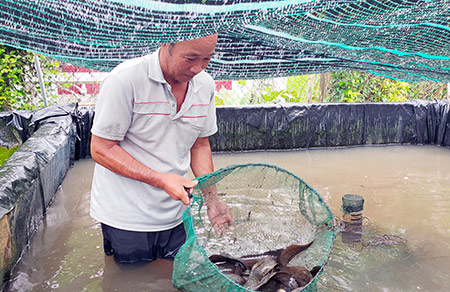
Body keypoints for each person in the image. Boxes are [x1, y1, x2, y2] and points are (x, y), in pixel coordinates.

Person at [89, 34, 233, 265]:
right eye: (190, 58)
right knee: (132, 280)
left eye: (207, 59)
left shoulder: (204, 85)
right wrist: (159, 179)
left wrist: (212, 198)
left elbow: (200, 144)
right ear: (166, 44)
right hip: (126, 216)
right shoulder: (124, 80)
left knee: (175, 278)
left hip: (177, 212)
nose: (198, 68)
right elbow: (101, 148)